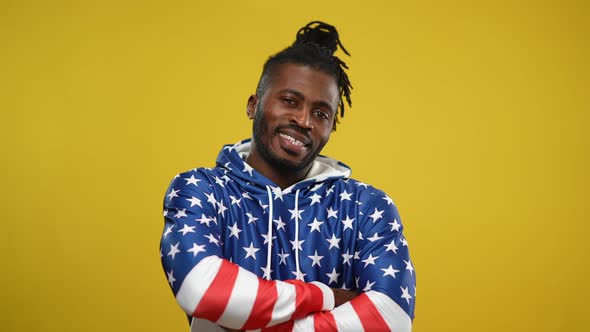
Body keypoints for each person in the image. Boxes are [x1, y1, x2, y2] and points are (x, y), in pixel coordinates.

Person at [160, 21, 416, 331]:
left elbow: (393, 319)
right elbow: (203, 290)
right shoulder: (201, 189)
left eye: (321, 113)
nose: (304, 120)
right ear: (254, 105)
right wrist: (328, 296)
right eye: (290, 101)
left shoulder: (367, 207)